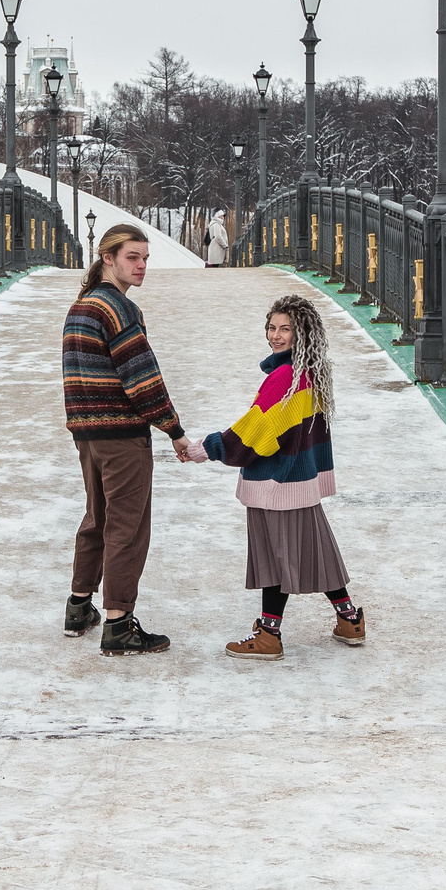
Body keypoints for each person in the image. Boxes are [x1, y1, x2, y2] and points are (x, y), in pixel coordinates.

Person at [201, 292, 365, 658]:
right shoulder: (309, 372)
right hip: (301, 478)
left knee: (277, 557)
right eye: (272, 328)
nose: (276, 335)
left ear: (300, 333)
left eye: (285, 329)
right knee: (316, 550)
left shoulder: (285, 378)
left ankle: (268, 636)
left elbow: (255, 431)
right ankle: (350, 619)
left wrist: (209, 448)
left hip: (278, 480)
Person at [63, 222, 201, 655]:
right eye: (132, 258)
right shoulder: (119, 309)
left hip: (87, 435)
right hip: (122, 437)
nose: (141, 266)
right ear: (108, 258)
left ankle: (79, 607)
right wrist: (174, 431)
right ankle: (119, 624)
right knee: (127, 529)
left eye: (145, 259)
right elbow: (143, 380)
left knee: (96, 521)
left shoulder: (82, 306)